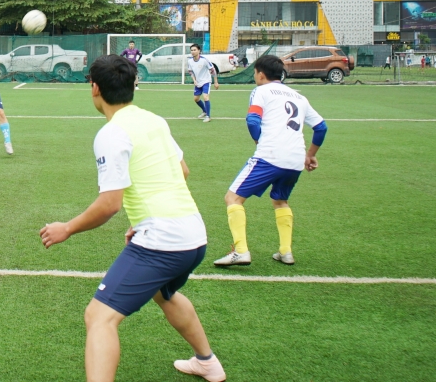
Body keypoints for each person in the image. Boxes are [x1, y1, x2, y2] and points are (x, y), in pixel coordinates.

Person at [39, 55, 224, 382]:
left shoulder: (111, 133)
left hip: (163, 240)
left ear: (94, 88)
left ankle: (206, 360)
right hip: (194, 236)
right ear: (132, 85)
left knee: (98, 317)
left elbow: (109, 204)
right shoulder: (154, 120)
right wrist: (143, 219)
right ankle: (207, 362)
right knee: (163, 293)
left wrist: (65, 228)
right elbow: (182, 171)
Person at [214, 55, 327, 268]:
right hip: (294, 160)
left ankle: (240, 251)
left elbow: (252, 119)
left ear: (261, 74)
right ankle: (285, 251)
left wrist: (260, 141)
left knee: (233, 198)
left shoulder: (261, 91)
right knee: (280, 201)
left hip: (270, 156)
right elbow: (321, 127)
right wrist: (310, 155)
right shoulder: (299, 97)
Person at [187, 44, 218, 123]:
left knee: (205, 97)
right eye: (192, 50)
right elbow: (190, 72)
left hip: (206, 81)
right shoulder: (190, 61)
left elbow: (213, 70)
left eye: (195, 50)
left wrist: (216, 82)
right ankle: (204, 111)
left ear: (199, 51)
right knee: (196, 99)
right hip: (198, 82)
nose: (193, 52)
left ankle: (208, 116)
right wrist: (194, 80)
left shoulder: (204, 60)